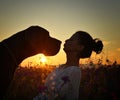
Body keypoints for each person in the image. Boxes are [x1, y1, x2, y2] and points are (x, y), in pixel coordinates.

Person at [33, 31, 103, 100]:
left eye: (71, 40)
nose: (66, 40)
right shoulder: (60, 67)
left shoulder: (74, 71)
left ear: (80, 47)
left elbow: (55, 95)